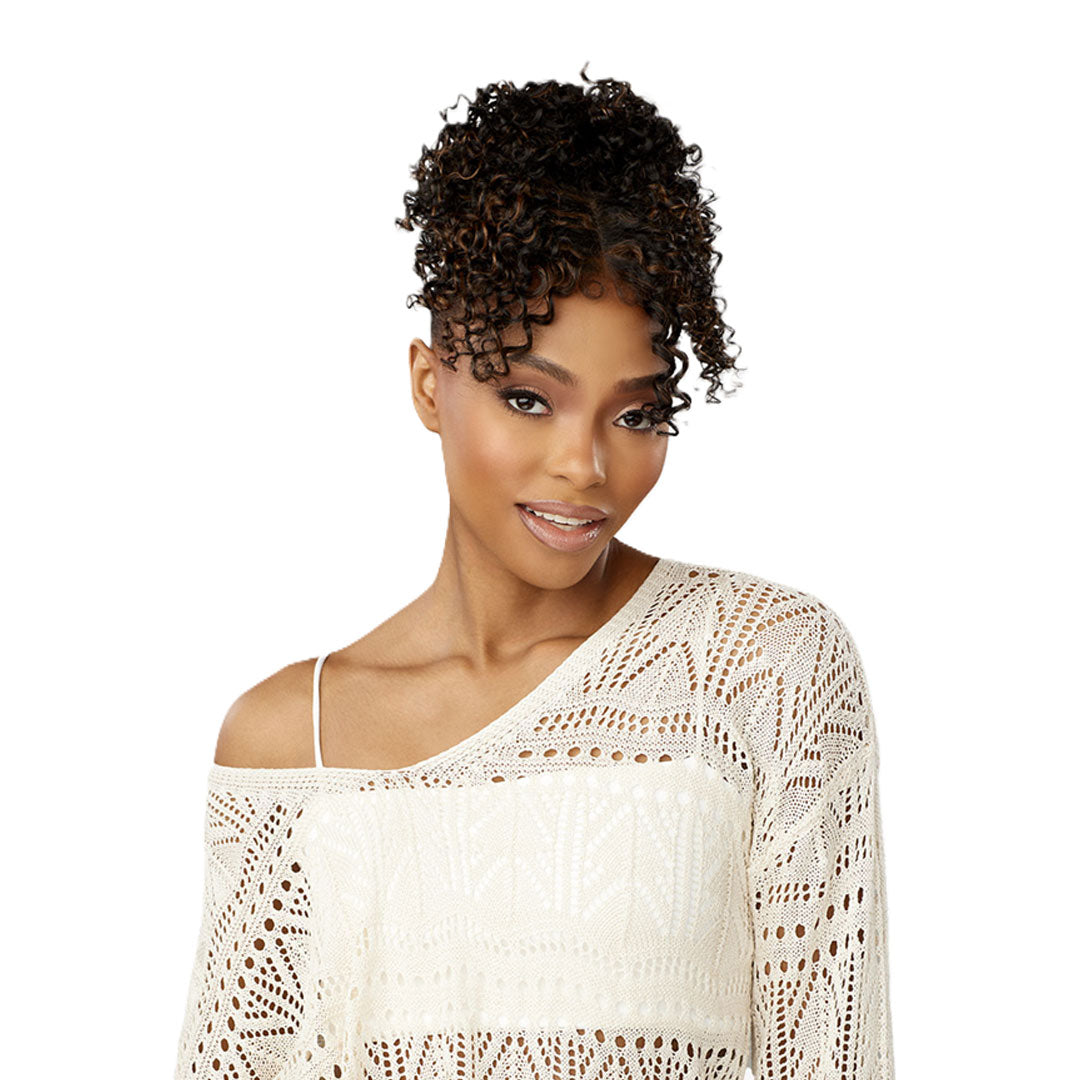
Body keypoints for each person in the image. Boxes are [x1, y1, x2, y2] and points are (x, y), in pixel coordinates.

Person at [173, 69, 895, 1080]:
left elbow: (833, 1057)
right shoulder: (293, 743)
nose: (585, 465)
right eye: (528, 398)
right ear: (430, 385)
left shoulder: (763, 668)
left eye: (636, 413)